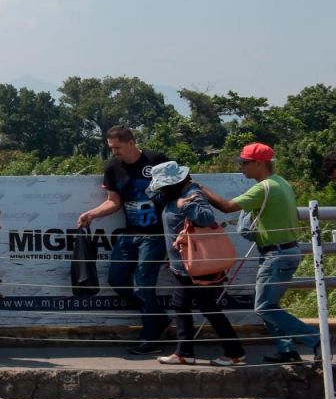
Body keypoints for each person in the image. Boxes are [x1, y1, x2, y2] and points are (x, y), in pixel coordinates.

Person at [200, 142, 318, 363]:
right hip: (286, 251)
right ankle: (286, 350)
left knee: (263, 307)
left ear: (259, 163)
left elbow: (226, 207)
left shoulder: (263, 188)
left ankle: (315, 340)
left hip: (276, 255)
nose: (242, 167)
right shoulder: (281, 182)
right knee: (268, 304)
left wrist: (200, 187)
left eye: (245, 163)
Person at [75, 126, 171, 354]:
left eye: (117, 147)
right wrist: (92, 214)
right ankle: (159, 319)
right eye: (111, 148)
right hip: (129, 233)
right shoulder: (112, 168)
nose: (114, 152)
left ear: (131, 142)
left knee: (143, 286)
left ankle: (151, 337)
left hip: (156, 235)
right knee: (117, 280)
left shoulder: (156, 160)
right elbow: (113, 202)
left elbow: (179, 188)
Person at [145, 162, 246, 367]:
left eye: (163, 185)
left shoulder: (192, 195)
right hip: (183, 266)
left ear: (174, 183)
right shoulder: (172, 194)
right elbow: (151, 194)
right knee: (182, 306)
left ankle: (234, 352)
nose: (160, 189)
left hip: (196, 265)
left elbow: (207, 218)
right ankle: (185, 352)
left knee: (207, 307)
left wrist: (186, 205)